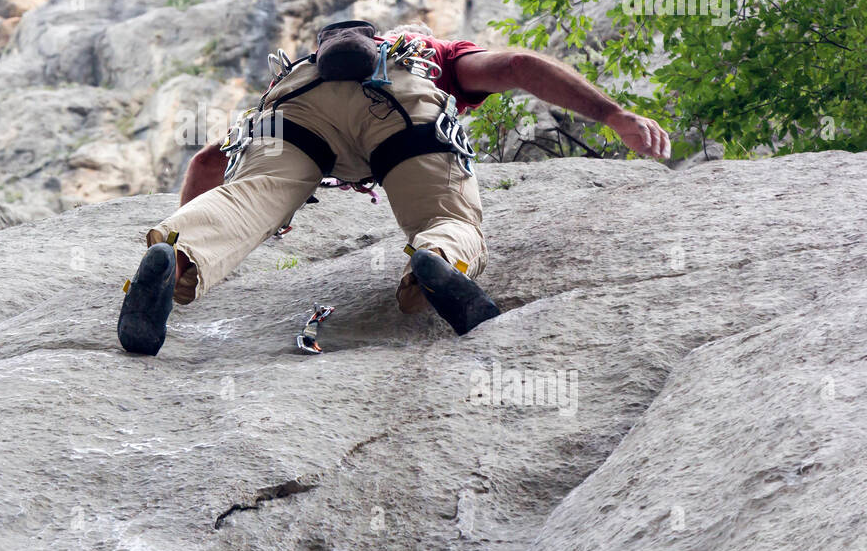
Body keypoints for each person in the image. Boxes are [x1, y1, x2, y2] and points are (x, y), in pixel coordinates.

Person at [117, 19, 671, 356]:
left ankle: (179, 252)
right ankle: (439, 259)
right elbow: (520, 65)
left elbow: (209, 161)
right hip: (403, 110)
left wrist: (190, 227)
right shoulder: (427, 53)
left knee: (248, 197)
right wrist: (612, 114)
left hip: (296, 112)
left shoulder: (301, 72)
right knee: (449, 216)